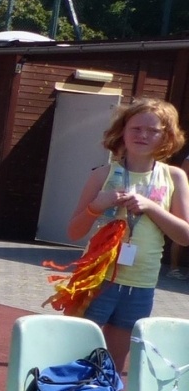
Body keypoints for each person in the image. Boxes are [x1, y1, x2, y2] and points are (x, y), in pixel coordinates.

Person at [64, 98, 189, 371]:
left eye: (153, 130)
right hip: (99, 279)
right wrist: (97, 206)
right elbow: (74, 231)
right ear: (122, 131)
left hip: (141, 285)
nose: (143, 135)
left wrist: (151, 207)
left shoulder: (174, 177)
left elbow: (184, 236)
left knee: (114, 362)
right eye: (136, 128)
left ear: (166, 136)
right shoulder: (102, 175)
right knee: (77, 352)